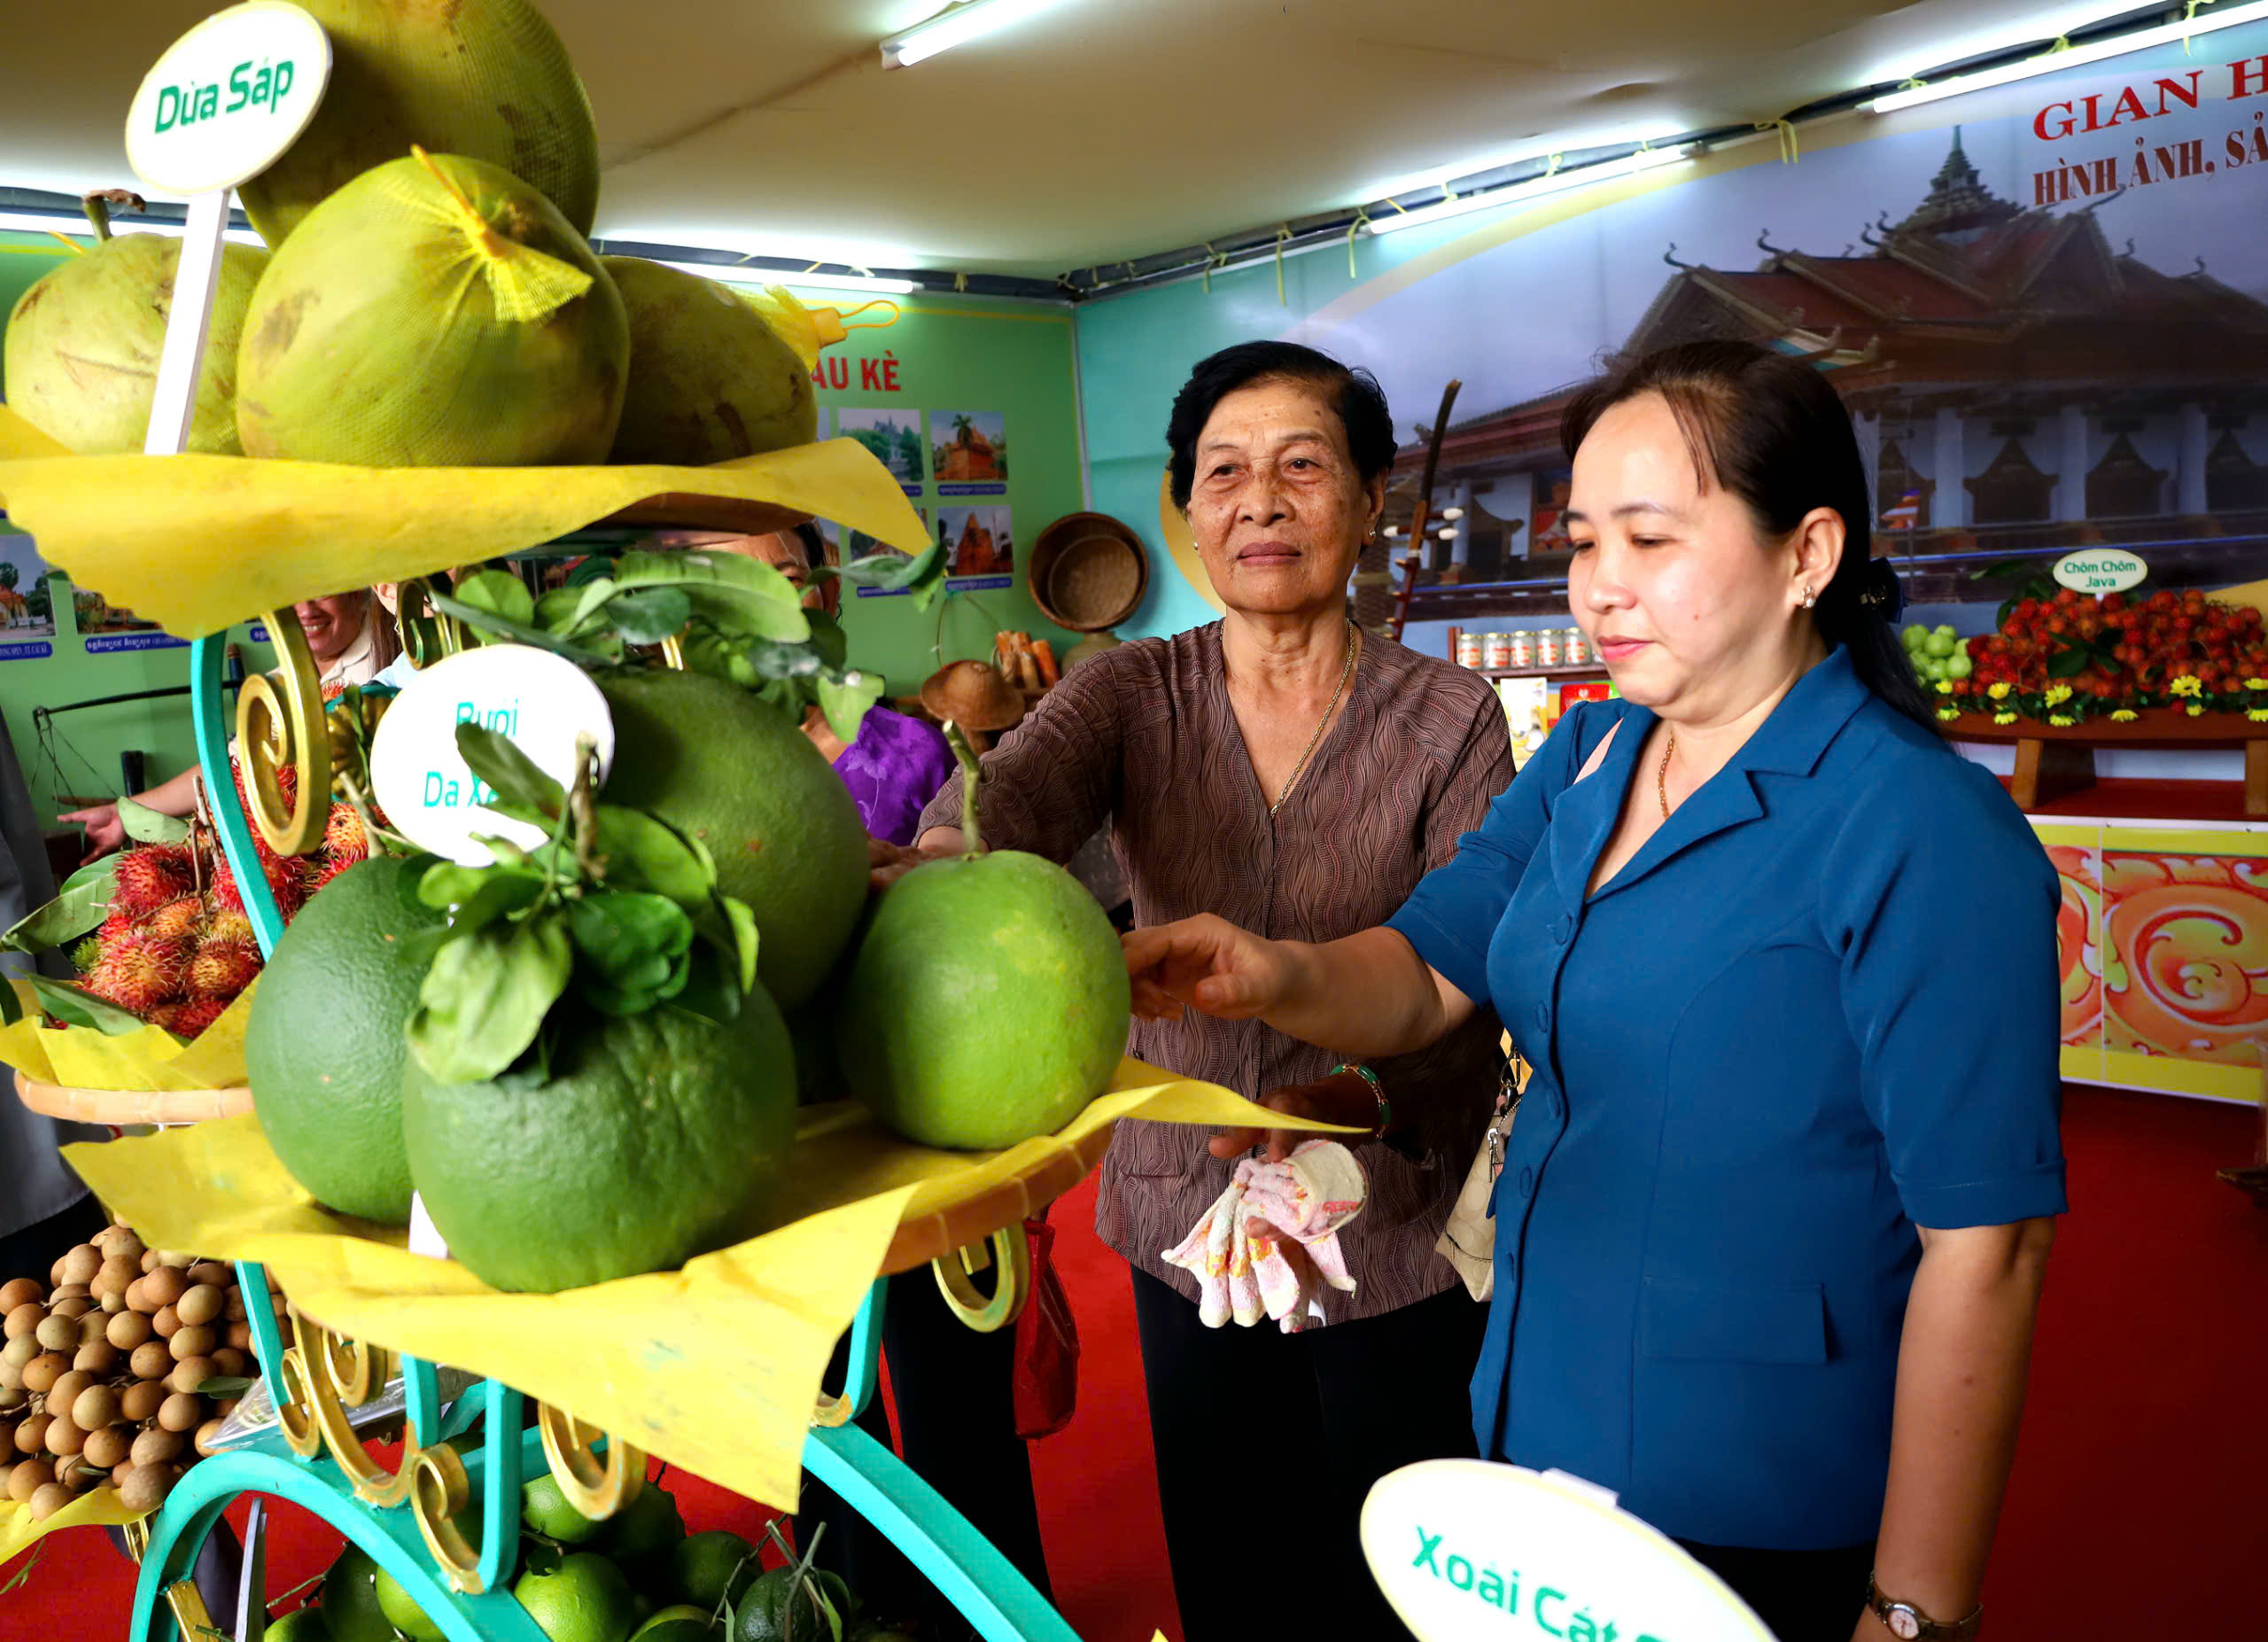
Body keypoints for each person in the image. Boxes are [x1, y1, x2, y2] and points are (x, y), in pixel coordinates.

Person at [1123, 339, 2064, 1642]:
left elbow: (1991, 1241)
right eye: (1581, 542)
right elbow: (1427, 971)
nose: (1602, 588)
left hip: (1757, 1483)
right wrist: (1268, 970)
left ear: (1810, 553)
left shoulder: (1919, 829)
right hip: (1531, 1429)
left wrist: (1913, 1608)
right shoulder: (1589, 755)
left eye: (1650, 539)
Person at [872, 341, 1513, 1641]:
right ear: (1188, 508)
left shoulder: (1450, 718)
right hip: (1186, 1207)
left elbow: (1473, 966)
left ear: (1370, 496)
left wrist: (1347, 1105)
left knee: (1405, 1573)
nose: (1259, 502)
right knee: (1234, 1564)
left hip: (1382, 1207)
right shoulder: (1127, 692)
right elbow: (1001, 808)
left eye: (1301, 466)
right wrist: (944, 864)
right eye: (1223, 472)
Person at [59, 588, 398, 858]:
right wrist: (126, 813)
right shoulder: (275, 686)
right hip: (316, 856)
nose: (307, 610)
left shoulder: (392, 657)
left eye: (323, 591)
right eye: (291, 596)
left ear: (357, 593)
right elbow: (231, 769)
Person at [737, 525, 959, 847]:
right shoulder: (679, 768)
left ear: (827, 596)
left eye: (788, 581)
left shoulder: (917, 754)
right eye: (732, 593)